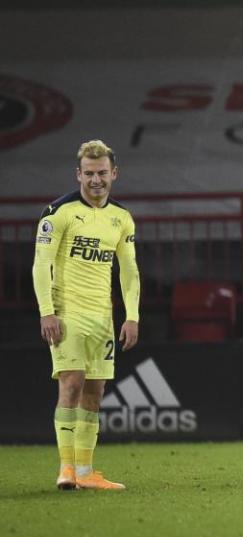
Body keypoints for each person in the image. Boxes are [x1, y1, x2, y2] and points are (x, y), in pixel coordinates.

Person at [32, 140, 140, 491]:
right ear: (79, 174)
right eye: (89, 173)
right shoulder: (58, 212)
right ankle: (65, 468)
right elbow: (41, 265)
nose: (96, 180)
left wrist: (132, 316)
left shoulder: (121, 218)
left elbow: (129, 271)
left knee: (95, 391)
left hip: (103, 317)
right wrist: (47, 312)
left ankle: (85, 472)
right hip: (68, 313)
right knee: (72, 383)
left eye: (102, 173)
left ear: (114, 174)